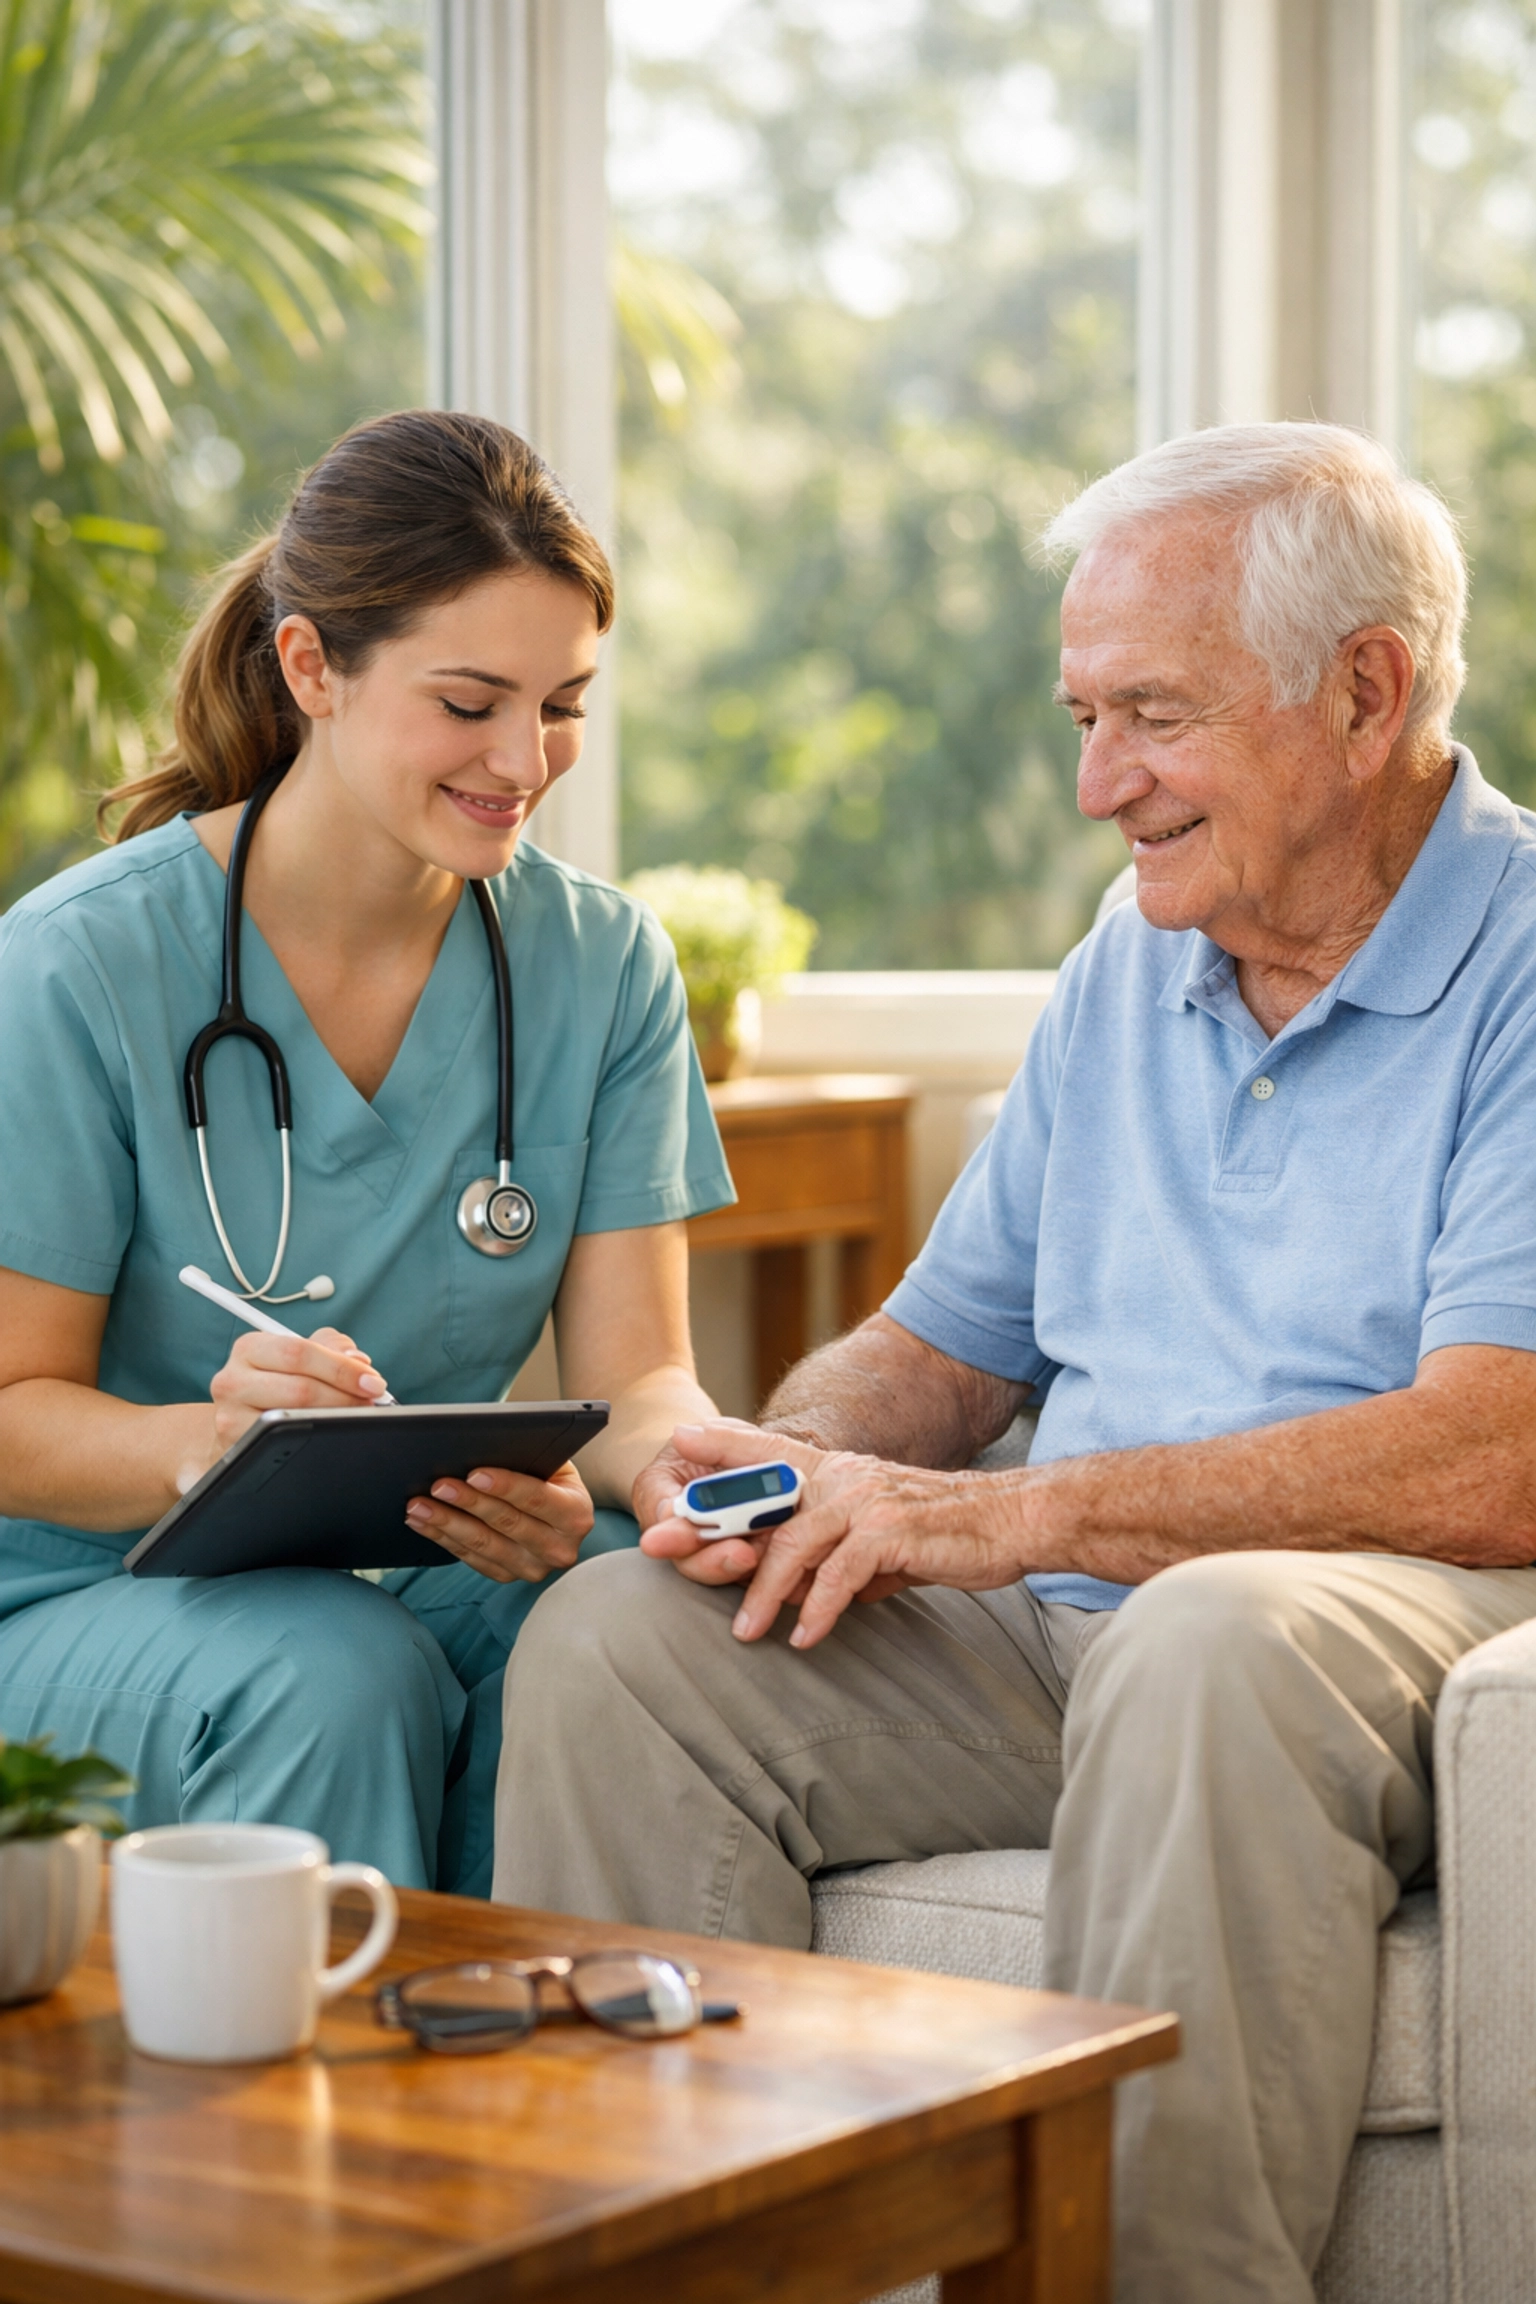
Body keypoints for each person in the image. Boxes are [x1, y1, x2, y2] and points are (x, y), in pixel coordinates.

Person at [492, 422, 1536, 2302]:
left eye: (1152, 713)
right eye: (1082, 714)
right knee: (619, 1646)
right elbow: (941, 1349)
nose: (1092, 784)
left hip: (1394, 1621)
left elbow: (1493, 1455)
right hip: (1075, 1636)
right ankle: (678, 2273)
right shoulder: (1134, 964)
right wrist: (777, 1468)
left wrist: (1008, 1514)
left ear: (1365, 694)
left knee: (1217, 1637)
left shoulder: (1527, 965)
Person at [0, 408, 732, 1899]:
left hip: (393, 1566)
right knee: (335, 1668)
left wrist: (665, 1484)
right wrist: (210, 1450)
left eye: (565, 703)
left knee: (624, 1616)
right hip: (74, 1597)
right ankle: (338, 2132)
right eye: (470, 702)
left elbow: (642, 1379)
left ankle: (582, 2095)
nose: (524, 761)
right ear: (313, 668)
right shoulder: (79, 969)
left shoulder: (602, 968)